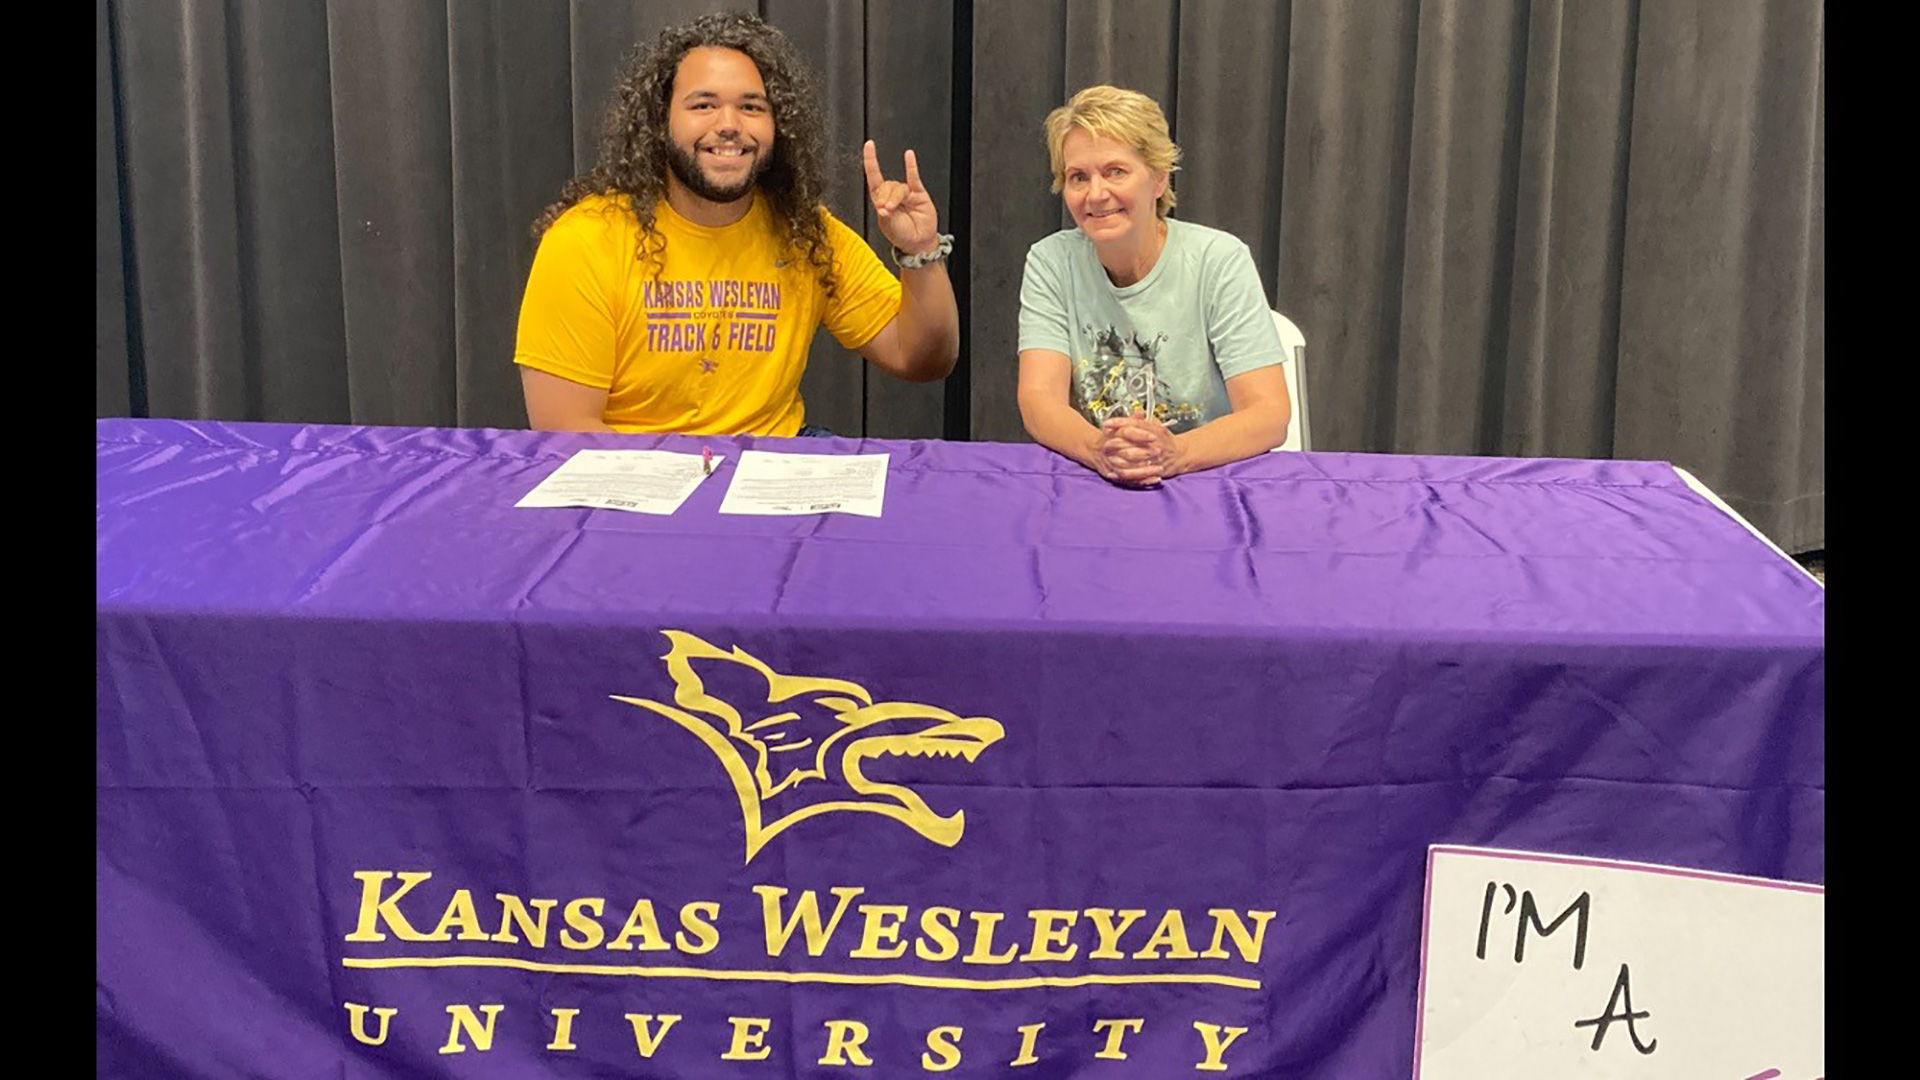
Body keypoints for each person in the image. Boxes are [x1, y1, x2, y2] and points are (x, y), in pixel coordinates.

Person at [514, 12, 958, 436]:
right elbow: (566, 433)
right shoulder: (584, 239)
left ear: (777, 125)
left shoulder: (805, 233)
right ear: (660, 122)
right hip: (640, 470)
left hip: (775, 459)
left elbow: (920, 359)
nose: (729, 125)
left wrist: (920, 252)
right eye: (703, 105)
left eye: (750, 107)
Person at [1016, 85, 1291, 485]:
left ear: (1159, 179)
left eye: (1116, 171)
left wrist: (1175, 454)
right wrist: (1099, 450)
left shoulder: (1219, 260)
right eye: (1078, 177)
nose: (1096, 194)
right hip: (1096, 477)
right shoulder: (1051, 262)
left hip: (1204, 476)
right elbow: (1038, 399)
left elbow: (1269, 414)